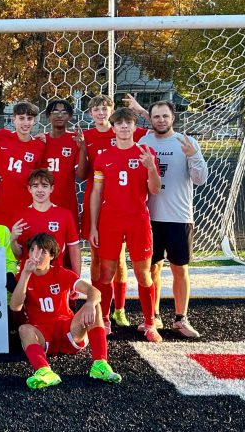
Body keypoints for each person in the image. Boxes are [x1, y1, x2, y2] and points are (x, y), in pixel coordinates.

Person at [10, 233, 121, 389]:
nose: (37, 255)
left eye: (43, 251)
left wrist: (89, 302)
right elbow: (15, 306)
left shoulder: (62, 273)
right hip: (42, 333)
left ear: (52, 255)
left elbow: (94, 291)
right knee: (24, 330)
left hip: (68, 330)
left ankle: (100, 364)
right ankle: (44, 371)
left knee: (94, 304)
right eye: (33, 250)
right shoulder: (23, 276)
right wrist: (26, 274)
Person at [89, 108, 162, 342]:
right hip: (110, 220)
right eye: (118, 123)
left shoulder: (146, 152)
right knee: (106, 272)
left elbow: (154, 189)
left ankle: (150, 323)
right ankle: (105, 319)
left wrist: (151, 167)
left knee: (143, 273)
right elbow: (96, 193)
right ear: (113, 127)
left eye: (128, 123)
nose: (123, 127)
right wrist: (92, 226)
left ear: (134, 126)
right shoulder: (104, 157)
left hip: (138, 219)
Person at [139, 100, 208, 337]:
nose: (161, 120)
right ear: (150, 119)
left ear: (173, 118)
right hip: (149, 218)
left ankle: (181, 318)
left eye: (165, 116)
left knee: (180, 269)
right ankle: (154, 316)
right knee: (152, 268)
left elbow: (200, 179)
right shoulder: (143, 142)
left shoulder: (186, 143)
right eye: (156, 116)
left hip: (179, 217)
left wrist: (194, 156)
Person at [81, 95, 148, 328]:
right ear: (90, 113)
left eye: (105, 109)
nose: (101, 113)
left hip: (125, 206)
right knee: (97, 260)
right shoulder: (85, 136)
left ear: (112, 113)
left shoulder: (125, 129)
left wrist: (140, 110)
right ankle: (97, 307)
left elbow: (157, 127)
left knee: (119, 260)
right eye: (96, 109)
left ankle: (119, 309)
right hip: (97, 202)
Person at [0, 102, 47, 230]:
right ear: (13, 119)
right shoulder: (1, 136)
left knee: (23, 245)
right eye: (21, 118)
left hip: (26, 203)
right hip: (1, 203)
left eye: (30, 118)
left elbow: (40, 177)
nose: (26, 123)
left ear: (34, 121)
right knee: (0, 246)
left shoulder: (39, 146)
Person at [11, 169, 80, 274]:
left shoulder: (65, 215)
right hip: (29, 279)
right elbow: (18, 255)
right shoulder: (20, 217)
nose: (40, 190)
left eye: (44, 186)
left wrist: (77, 278)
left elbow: (74, 249)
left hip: (56, 279)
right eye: (35, 186)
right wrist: (13, 240)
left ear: (52, 188)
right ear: (29, 189)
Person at [42, 99, 87, 229]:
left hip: (67, 203)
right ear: (48, 116)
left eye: (64, 112)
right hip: (42, 203)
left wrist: (83, 149)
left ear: (70, 116)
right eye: (55, 111)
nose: (59, 115)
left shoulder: (75, 140)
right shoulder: (40, 140)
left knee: (68, 245)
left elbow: (82, 175)